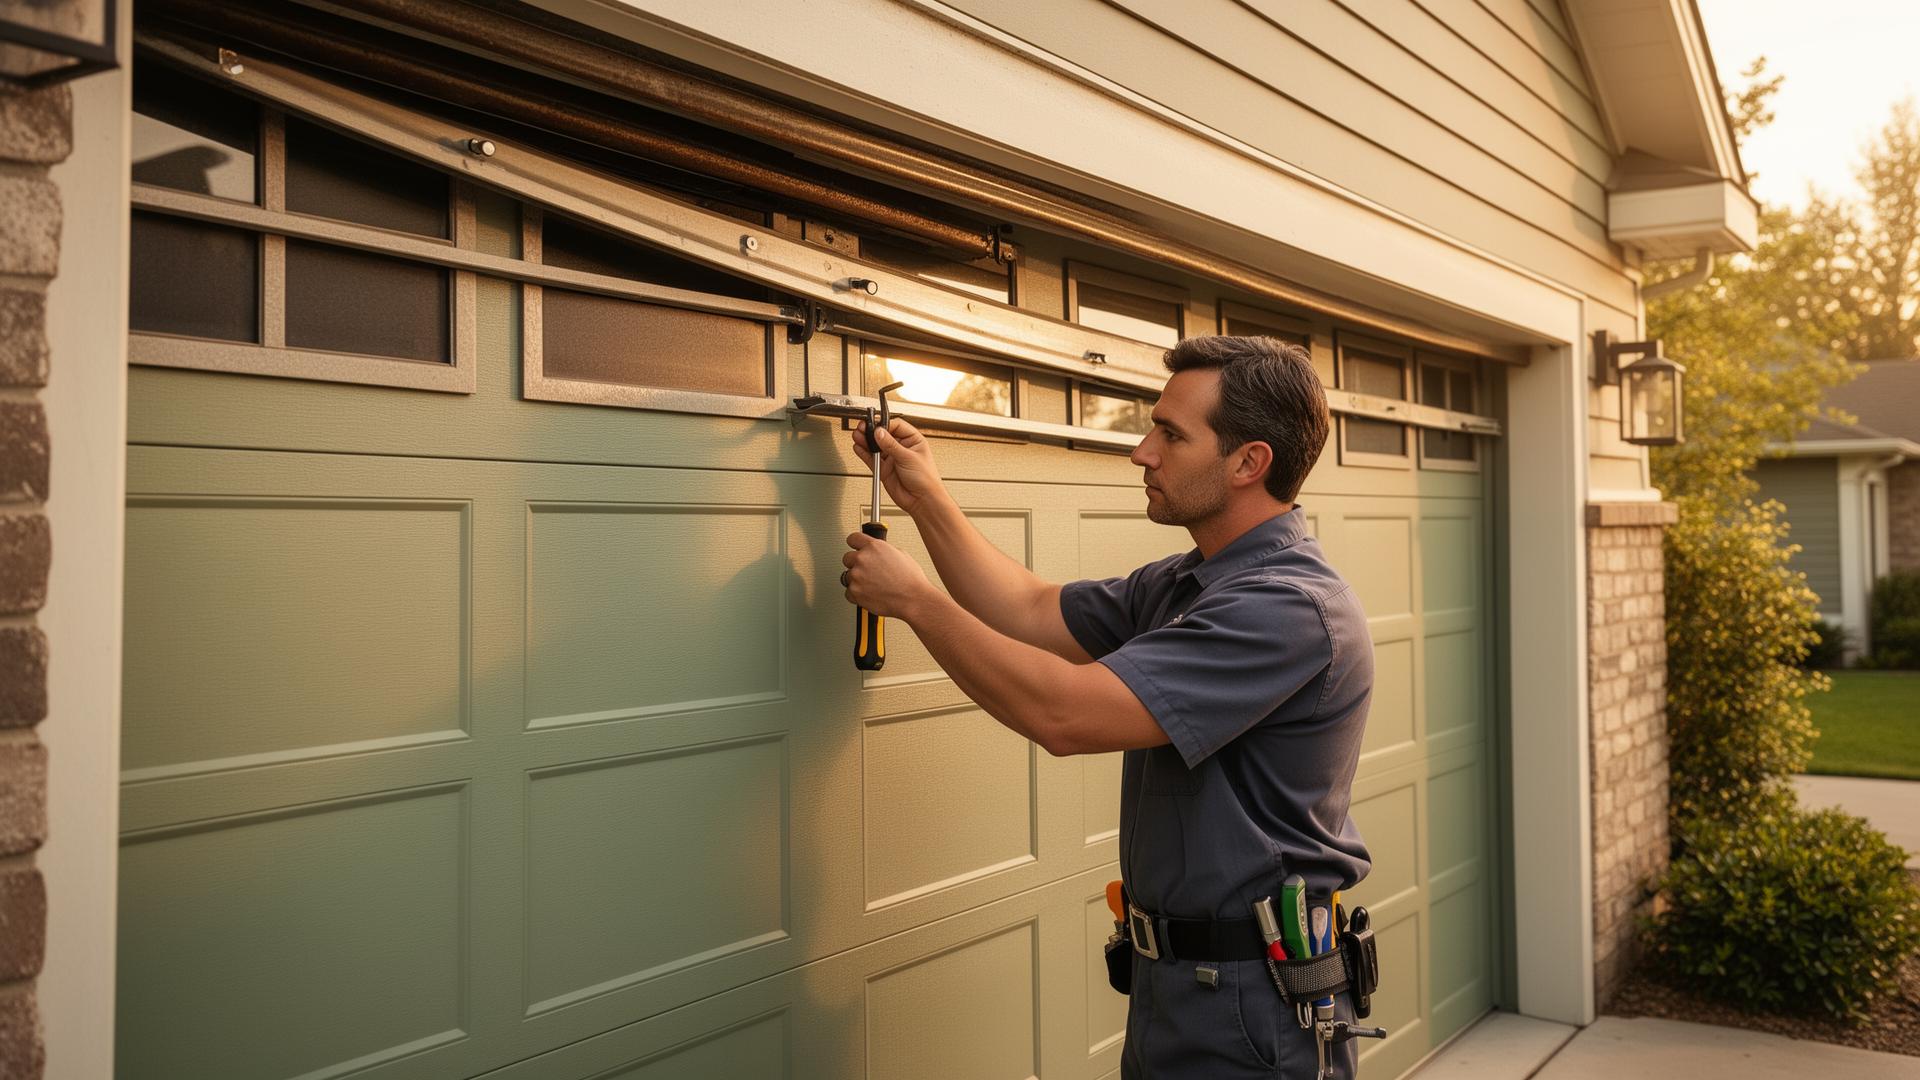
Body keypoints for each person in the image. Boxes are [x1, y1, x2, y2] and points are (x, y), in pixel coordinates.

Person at [842, 334, 1372, 1079]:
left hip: (1253, 1010)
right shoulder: (1186, 584)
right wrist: (924, 493)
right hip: (1176, 988)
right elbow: (1027, 608)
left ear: (1249, 462)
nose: (1141, 452)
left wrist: (915, 603)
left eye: (1171, 435)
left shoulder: (1286, 609)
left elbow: (1063, 714)